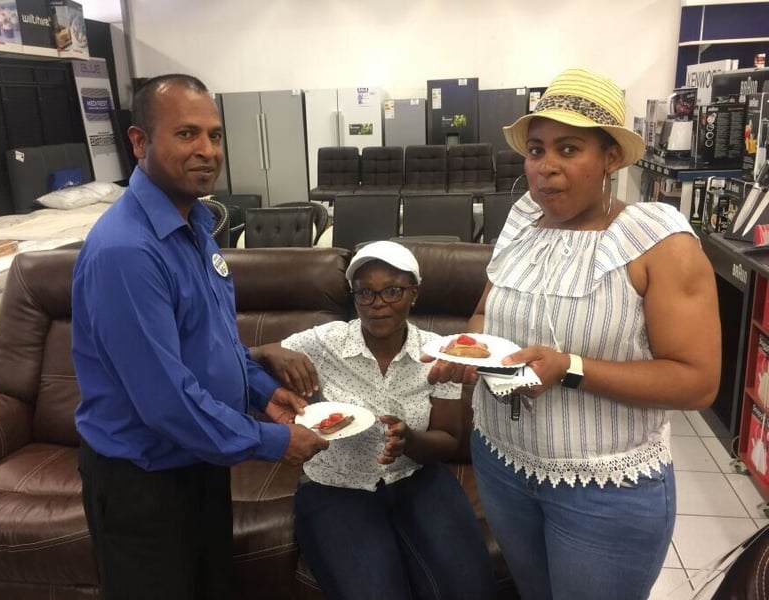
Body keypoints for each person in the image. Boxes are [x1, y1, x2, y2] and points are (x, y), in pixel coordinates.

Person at [427, 68, 721, 600]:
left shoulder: (657, 241)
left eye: (568, 149)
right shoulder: (522, 223)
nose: (546, 168)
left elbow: (696, 381)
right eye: (536, 150)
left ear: (611, 157)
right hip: (502, 464)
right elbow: (483, 314)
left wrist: (571, 368)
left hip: (604, 488)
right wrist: (469, 356)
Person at [72, 74, 328, 600]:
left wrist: (261, 390)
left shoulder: (194, 227)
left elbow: (211, 343)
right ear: (139, 142)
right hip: (144, 484)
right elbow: (165, 400)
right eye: (187, 133)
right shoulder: (127, 251)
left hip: (202, 461)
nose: (207, 150)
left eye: (215, 135)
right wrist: (274, 441)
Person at [252, 241, 497, 600]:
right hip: (335, 485)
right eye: (365, 293)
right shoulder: (326, 341)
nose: (377, 303)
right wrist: (266, 350)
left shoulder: (436, 352)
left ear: (414, 293)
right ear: (354, 297)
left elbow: (448, 438)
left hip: (417, 477)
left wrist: (410, 441)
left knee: (469, 588)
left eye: (392, 291)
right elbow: (242, 361)